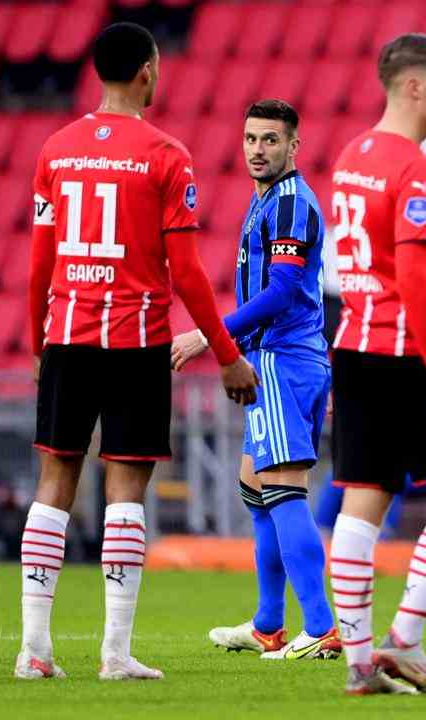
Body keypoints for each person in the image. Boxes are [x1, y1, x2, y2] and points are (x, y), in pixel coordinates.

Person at [18, 22, 258, 681]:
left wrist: (37, 332)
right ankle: (115, 655)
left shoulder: (56, 150)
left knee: (53, 482)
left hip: (66, 331)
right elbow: (185, 272)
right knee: (126, 490)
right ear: (148, 72)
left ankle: (34, 652)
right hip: (135, 338)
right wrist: (226, 353)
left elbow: (41, 261)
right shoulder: (165, 154)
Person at [324, 33, 426, 697]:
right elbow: (417, 280)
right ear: (414, 86)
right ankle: (405, 639)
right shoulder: (416, 170)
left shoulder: (352, 154)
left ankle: (361, 663)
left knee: (361, 506)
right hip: (403, 352)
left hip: (354, 343)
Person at [171, 100, 340, 664]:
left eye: (271, 140)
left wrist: (209, 336)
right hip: (287, 358)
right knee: (257, 489)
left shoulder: (290, 202)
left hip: (285, 362)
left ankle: (320, 627)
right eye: (250, 139)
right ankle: (269, 623)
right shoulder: (266, 198)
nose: (258, 150)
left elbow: (285, 290)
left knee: (284, 488)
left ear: (295, 146)